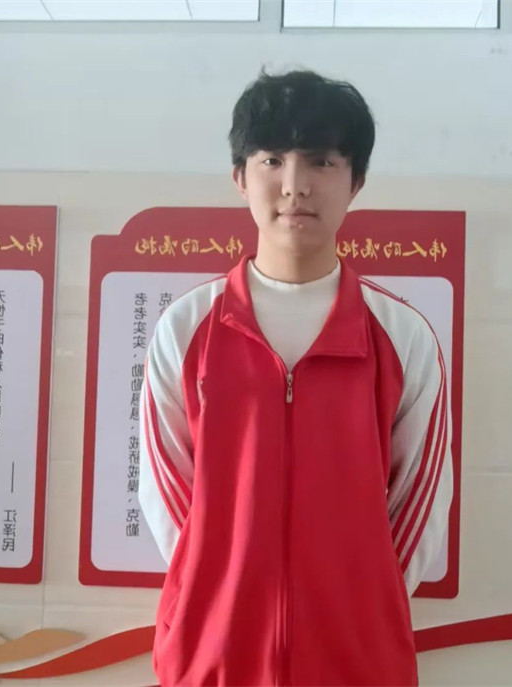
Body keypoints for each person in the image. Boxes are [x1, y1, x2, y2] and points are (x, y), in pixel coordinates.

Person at [139, 68, 453, 687]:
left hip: (357, 662)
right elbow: (168, 493)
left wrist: (358, 604)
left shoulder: (402, 337)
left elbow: (419, 503)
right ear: (240, 177)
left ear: (355, 182)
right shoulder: (187, 329)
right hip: (213, 657)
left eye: (321, 161)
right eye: (272, 160)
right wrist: (220, 596)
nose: (294, 185)